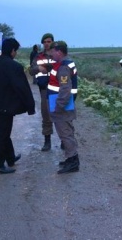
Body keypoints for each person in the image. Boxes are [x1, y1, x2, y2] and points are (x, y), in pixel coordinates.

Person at [0, 38, 35, 174]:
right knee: (2, 133)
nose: (15, 54)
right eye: (16, 51)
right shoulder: (14, 66)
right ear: (12, 50)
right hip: (6, 105)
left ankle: (10, 158)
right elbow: (23, 88)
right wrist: (30, 106)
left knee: (3, 131)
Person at [48, 40, 79, 174]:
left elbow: (65, 89)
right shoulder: (63, 64)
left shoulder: (63, 67)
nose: (51, 54)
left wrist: (59, 106)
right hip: (65, 104)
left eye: (53, 52)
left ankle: (72, 161)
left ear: (59, 52)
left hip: (62, 106)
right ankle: (70, 158)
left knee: (65, 134)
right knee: (67, 132)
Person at [29, 33, 55, 151]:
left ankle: (65, 141)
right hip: (44, 89)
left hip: (58, 89)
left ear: (53, 42)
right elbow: (31, 71)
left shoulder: (58, 55)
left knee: (62, 115)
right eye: (44, 42)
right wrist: (38, 68)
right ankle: (47, 141)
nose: (46, 44)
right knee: (46, 116)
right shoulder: (38, 57)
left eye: (49, 41)